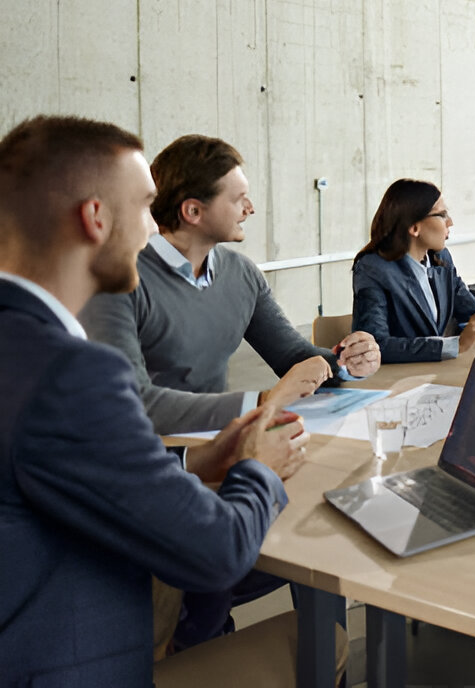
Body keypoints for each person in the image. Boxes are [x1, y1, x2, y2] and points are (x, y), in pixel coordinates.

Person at [0, 115, 313, 685]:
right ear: (95, 219)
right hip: (75, 662)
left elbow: (52, 467)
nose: (152, 227)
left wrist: (194, 462)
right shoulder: (71, 373)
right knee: (319, 640)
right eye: (146, 206)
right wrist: (257, 469)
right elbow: (215, 551)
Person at [80, 134, 382, 435]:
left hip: (218, 440)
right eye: (238, 199)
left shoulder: (242, 273)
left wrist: (347, 362)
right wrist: (261, 403)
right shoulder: (117, 281)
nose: (249, 208)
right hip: (144, 452)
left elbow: (291, 356)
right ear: (193, 212)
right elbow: (134, 402)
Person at [352, 179, 475, 362]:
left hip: (434, 374)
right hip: (394, 382)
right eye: (442, 215)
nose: (450, 222)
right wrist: (457, 344)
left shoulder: (441, 259)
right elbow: (375, 345)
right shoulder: (373, 268)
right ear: (414, 227)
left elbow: (472, 313)